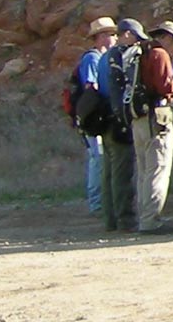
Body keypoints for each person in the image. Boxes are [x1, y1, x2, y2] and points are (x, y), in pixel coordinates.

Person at [131, 21, 173, 235]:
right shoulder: (159, 55)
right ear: (167, 38)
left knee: (144, 170)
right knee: (158, 169)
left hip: (138, 117)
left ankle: (144, 216)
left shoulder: (141, 53)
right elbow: (166, 86)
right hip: (156, 117)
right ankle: (151, 219)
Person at [95, 16, 142, 233]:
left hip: (104, 117)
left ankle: (110, 219)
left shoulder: (104, 59)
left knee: (109, 173)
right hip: (118, 119)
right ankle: (125, 219)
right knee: (123, 172)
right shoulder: (120, 57)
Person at [71, 18, 119, 221]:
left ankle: (100, 201)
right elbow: (92, 86)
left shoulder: (101, 57)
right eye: (108, 34)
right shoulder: (93, 58)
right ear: (99, 38)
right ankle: (97, 202)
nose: (113, 38)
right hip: (94, 115)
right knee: (97, 157)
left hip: (94, 114)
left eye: (113, 34)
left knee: (98, 157)